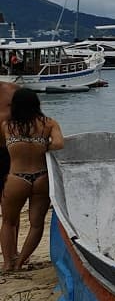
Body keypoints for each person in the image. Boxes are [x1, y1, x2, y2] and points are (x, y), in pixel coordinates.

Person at [2, 88, 64, 271]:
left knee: (8, 222)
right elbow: (59, 144)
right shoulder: (49, 123)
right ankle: (20, 262)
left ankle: (7, 264)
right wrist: (41, 145)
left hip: (16, 178)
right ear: (37, 104)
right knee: (36, 224)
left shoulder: (8, 126)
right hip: (41, 177)